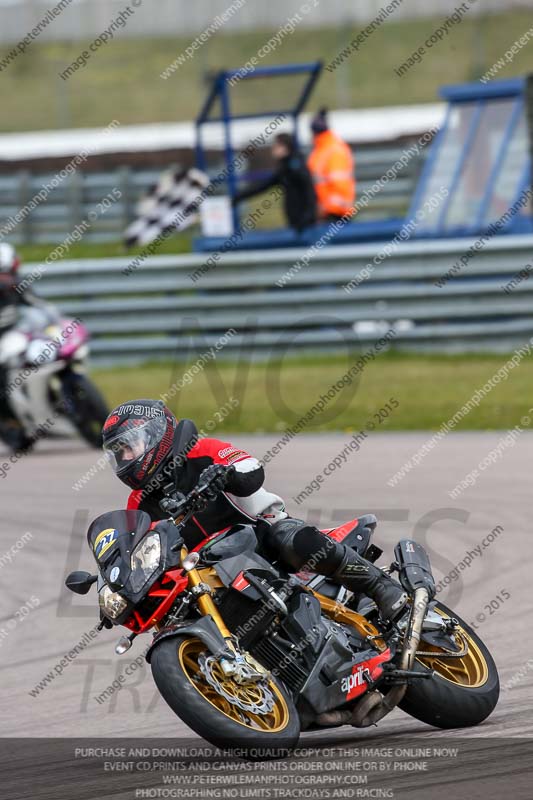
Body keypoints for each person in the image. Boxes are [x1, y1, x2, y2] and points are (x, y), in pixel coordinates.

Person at [102, 400, 408, 622]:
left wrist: (224, 475)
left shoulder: (200, 451)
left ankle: (380, 586)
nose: (126, 457)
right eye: (119, 453)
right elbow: (140, 549)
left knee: (287, 537)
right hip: (213, 573)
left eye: (129, 446)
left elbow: (250, 467)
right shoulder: (139, 504)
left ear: (156, 434)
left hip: (261, 537)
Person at [0, 243, 59, 449]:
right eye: (2, 274)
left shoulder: (18, 286)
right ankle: (10, 419)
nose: (5, 279)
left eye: (8, 273)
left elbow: (38, 304)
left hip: (18, 335)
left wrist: (54, 321)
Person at [233, 133, 317, 233]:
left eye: (276, 146)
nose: (273, 149)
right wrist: (240, 196)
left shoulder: (296, 167)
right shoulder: (285, 168)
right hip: (297, 223)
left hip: (305, 225)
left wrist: (307, 216)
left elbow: (309, 191)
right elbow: (264, 186)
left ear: (285, 147)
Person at [307, 108, 356, 223]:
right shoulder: (320, 150)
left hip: (335, 213)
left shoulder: (333, 150)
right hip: (324, 212)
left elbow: (339, 184)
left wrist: (326, 208)